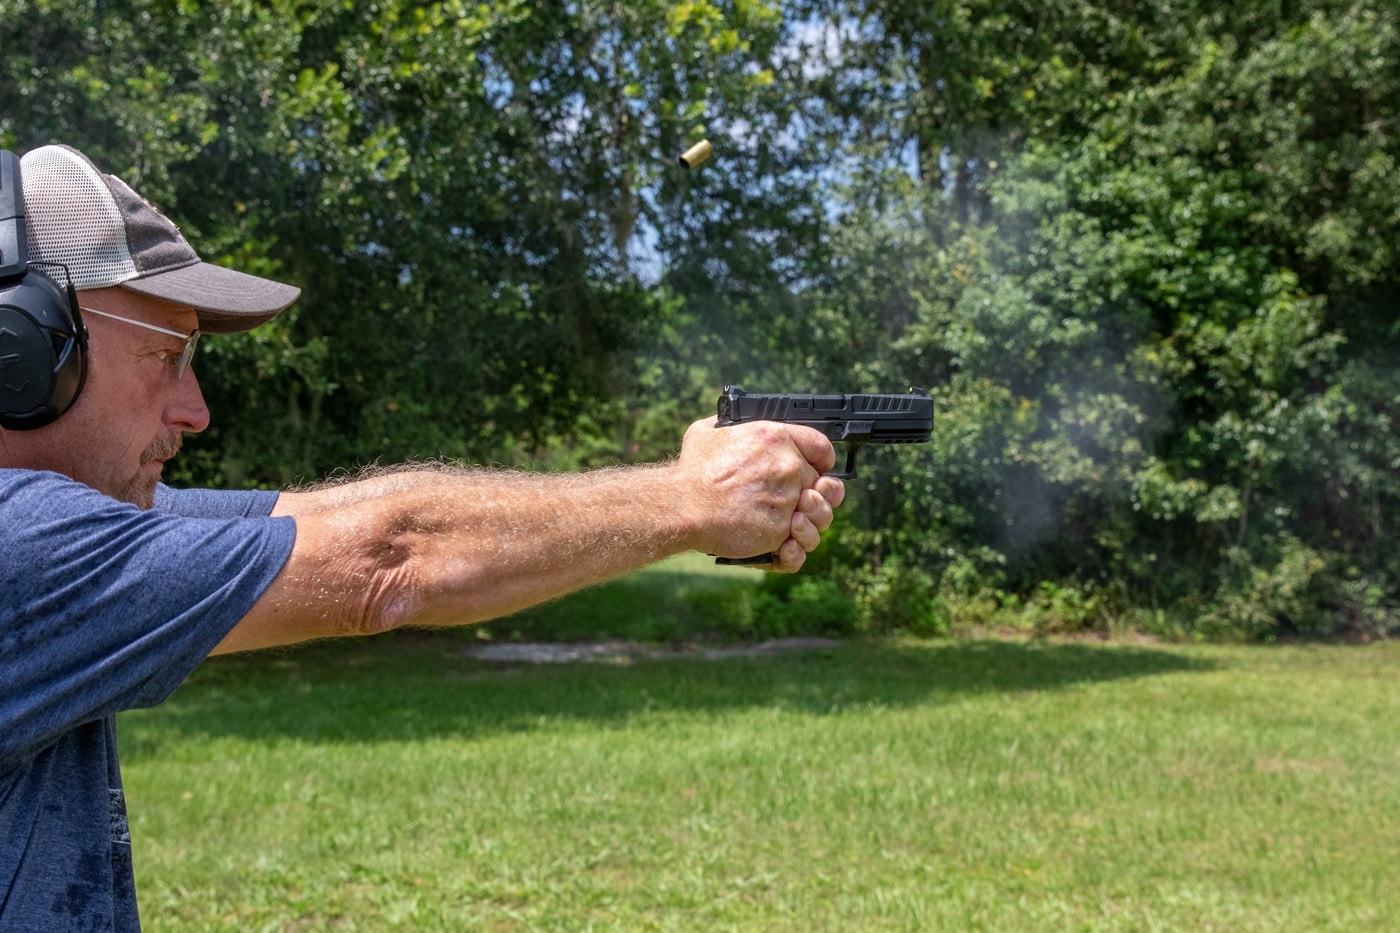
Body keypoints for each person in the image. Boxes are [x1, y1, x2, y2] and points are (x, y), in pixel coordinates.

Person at [0, 144, 845, 931]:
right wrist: (693, 496)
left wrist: (699, 501)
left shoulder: (69, 527)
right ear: (25, 350)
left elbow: (333, 520)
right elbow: (394, 557)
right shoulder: (21, 545)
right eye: (168, 356)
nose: (196, 409)